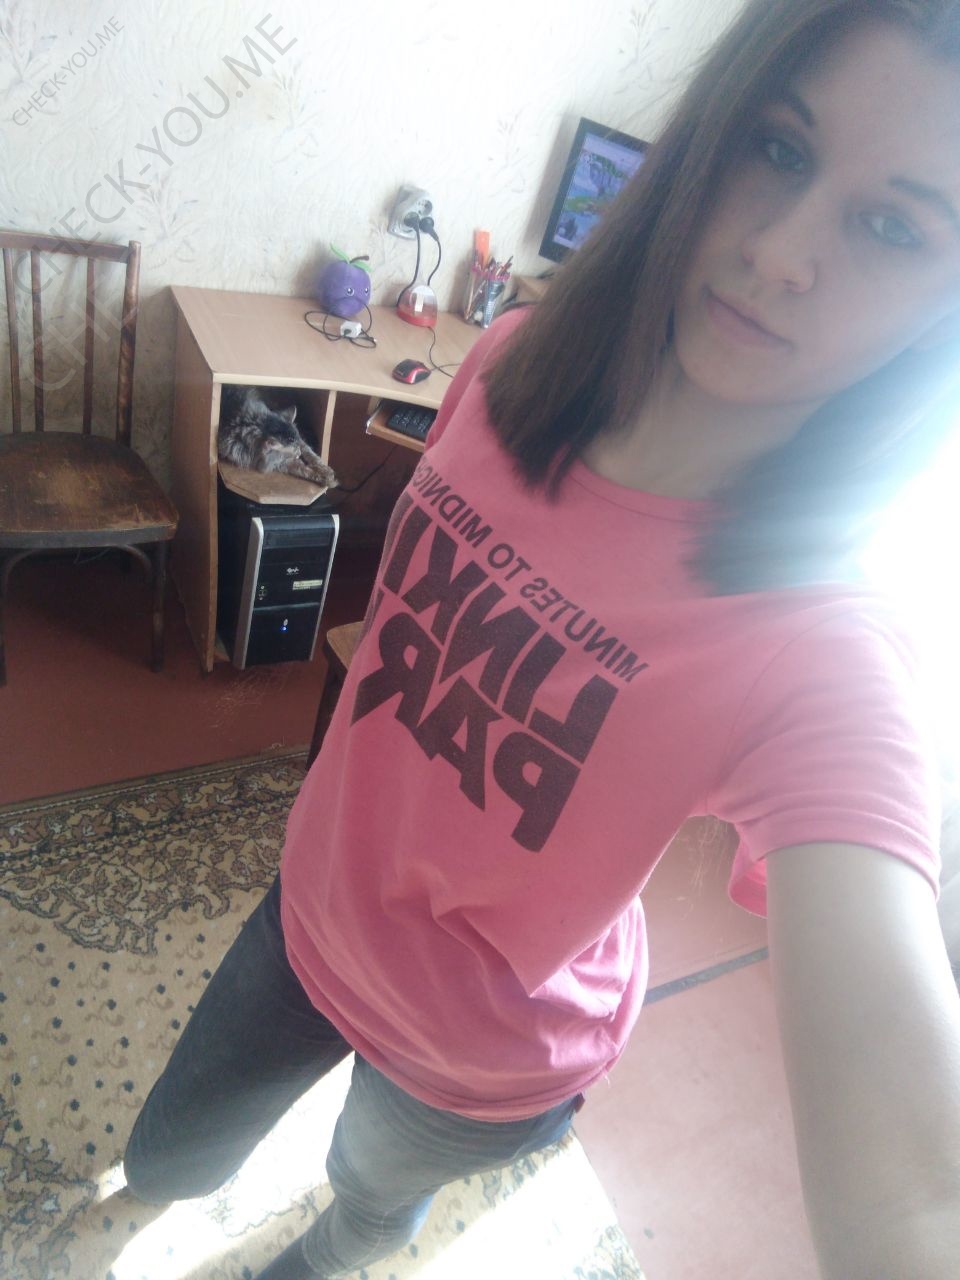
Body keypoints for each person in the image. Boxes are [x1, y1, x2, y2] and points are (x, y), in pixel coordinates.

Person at [123, 1, 960, 1276]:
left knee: (358, 1215)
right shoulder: (507, 363)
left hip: (476, 1061)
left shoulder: (826, 648)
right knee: (170, 1154)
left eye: (895, 227)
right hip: (308, 916)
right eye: (781, 150)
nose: (782, 254)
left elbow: (919, 1192)